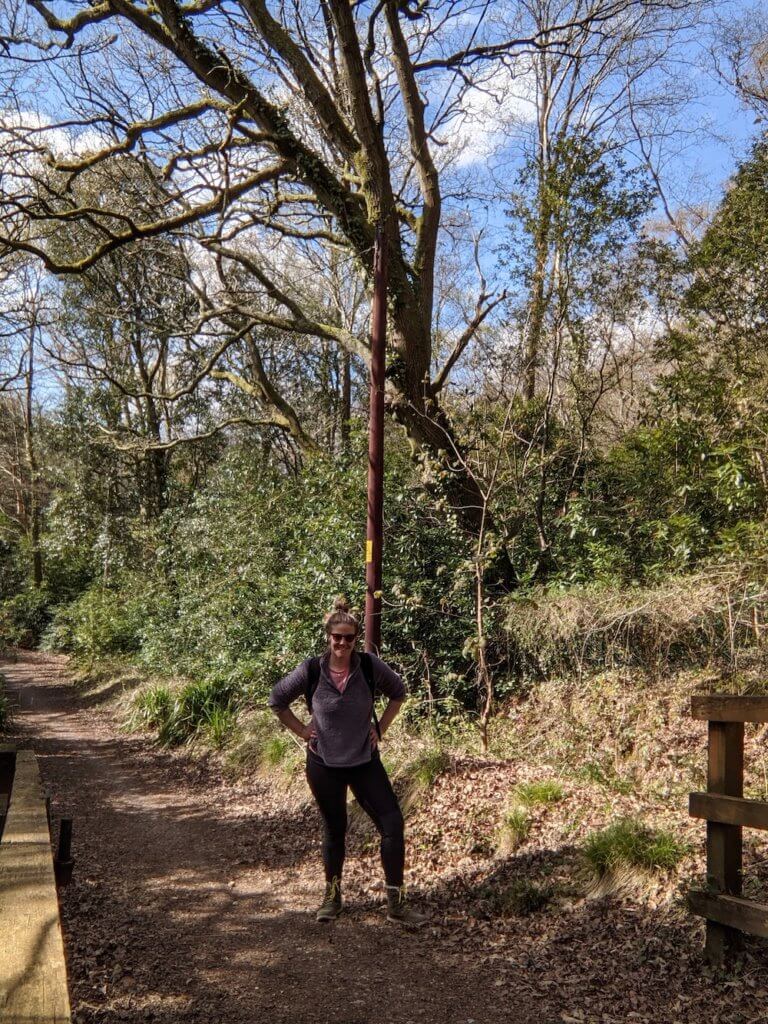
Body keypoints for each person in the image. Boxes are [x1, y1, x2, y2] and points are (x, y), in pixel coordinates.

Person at [268, 596, 426, 927]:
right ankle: (332, 897)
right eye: (336, 637)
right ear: (328, 637)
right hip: (324, 764)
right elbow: (277, 699)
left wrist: (379, 728)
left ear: (356, 639)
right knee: (335, 828)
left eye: (348, 638)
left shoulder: (368, 666)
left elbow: (399, 692)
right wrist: (302, 730)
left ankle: (396, 904)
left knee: (393, 825)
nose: (342, 643)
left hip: (364, 761)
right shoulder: (311, 670)